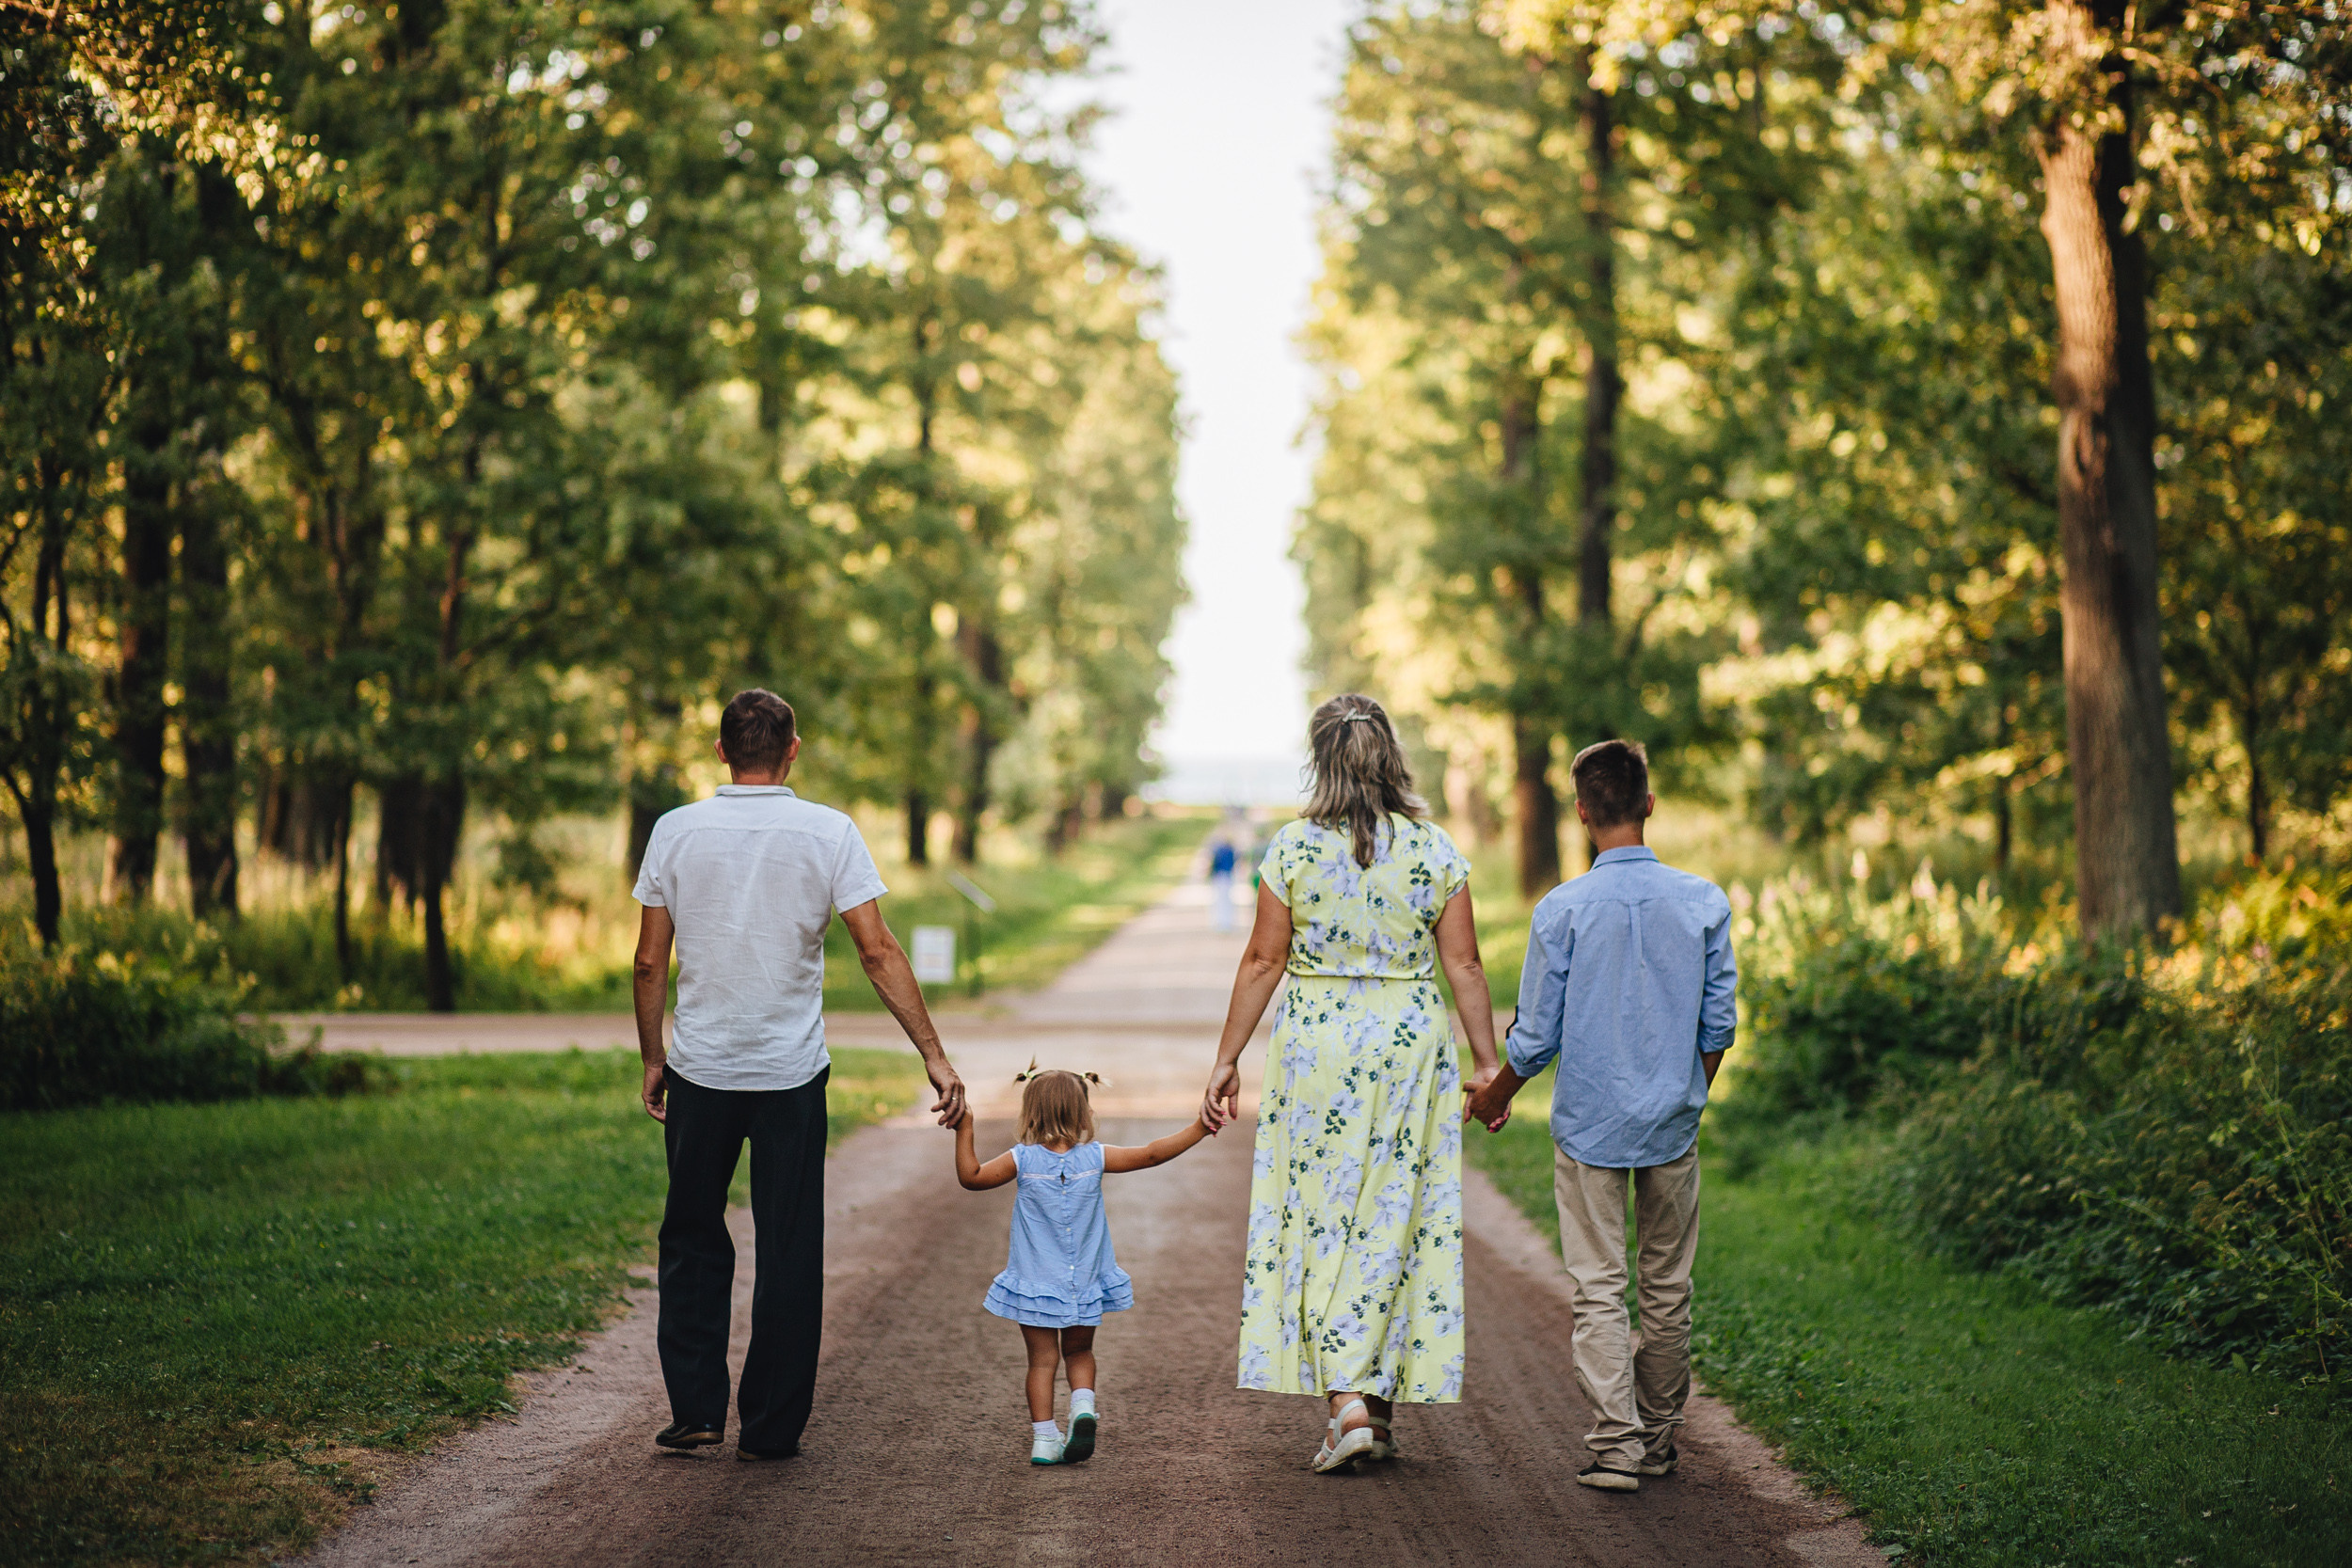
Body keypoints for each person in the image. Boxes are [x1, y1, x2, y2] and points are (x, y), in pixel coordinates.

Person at [631, 688, 967, 1462]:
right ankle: (773, 1425)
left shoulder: (675, 831)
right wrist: (933, 1054)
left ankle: (696, 1408)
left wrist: (655, 1058)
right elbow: (877, 950)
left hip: (703, 1072)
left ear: (721, 750)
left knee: (690, 1233)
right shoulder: (829, 832)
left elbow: (651, 959)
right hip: (788, 1077)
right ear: (793, 749)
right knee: (788, 1243)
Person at [1200, 693, 1504, 1474]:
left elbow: (1264, 960)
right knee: (1396, 1214)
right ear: (1391, 755)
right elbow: (1463, 964)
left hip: (1320, 1049)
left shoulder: (1295, 849)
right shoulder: (1436, 850)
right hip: (1409, 1046)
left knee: (1321, 1217)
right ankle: (1378, 1403)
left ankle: (1347, 1403)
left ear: (1322, 760)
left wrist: (1228, 1056)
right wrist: (1486, 1062)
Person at [1464, 738, 1737, 1494]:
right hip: (1672, 1129)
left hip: (1589, 1127)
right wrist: (1685, 1093)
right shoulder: (1704, 901)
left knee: (1598, 1284)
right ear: (1648, 803)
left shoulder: (1562, 909)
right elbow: (1718, 1029)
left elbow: (1539, 1033)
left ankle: (1616, 1446)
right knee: (1666, 1286)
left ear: (1583, 812)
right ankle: (1658, 1439)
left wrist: (1494, 1095)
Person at [953, 1067, 1211, 1465]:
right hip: (1085, 1281)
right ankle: (1083, 1407)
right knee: (1080, 1352)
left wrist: (964, 1127)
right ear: (1084, 1112)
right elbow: (1153, 1154)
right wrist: (1200, 1126)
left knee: (1041, 1361)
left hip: (1035, 1282)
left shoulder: (1021, 1160)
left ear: (1030, 1113)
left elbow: (971, 1177)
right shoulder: (1095, 1158)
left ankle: (1044, 1439)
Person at [1207, 833, 1240, 933]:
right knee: (1226, 900)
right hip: (1227, 876)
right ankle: (1226, 922)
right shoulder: (1231, 850)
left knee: (1220, 900)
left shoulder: (1218, 850)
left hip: (1220, 876)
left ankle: (1222, 922)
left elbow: (1214, 864)